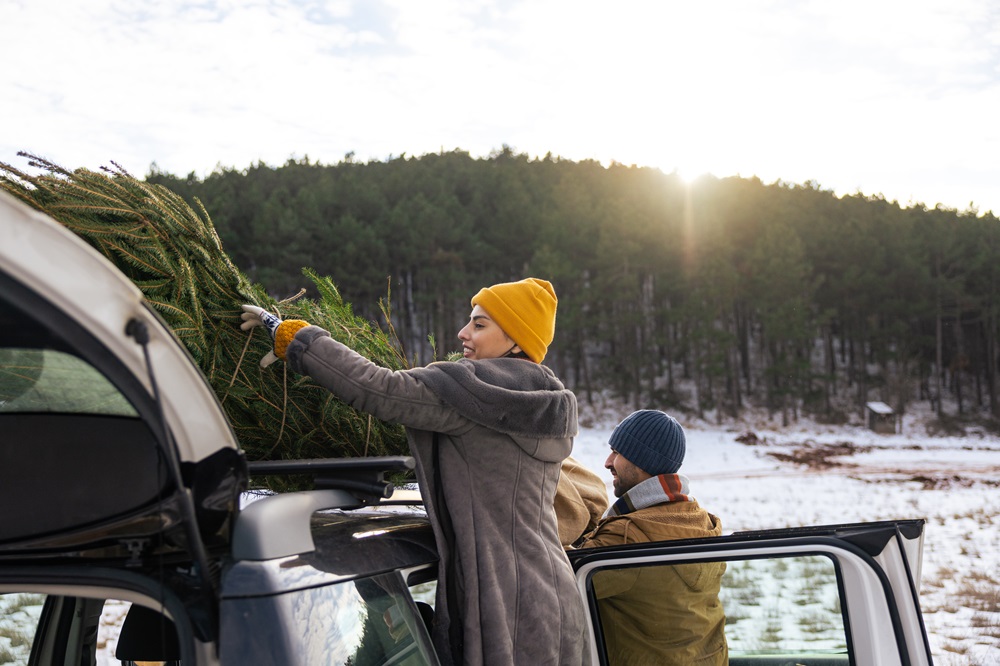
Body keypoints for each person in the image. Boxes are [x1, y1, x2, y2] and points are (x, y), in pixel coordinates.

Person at [241, 277, 590, 666]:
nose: (462, 333)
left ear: (516, 339)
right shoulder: (548, 401)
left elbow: (379, 390)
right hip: (555, 591)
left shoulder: (475, 392)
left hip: (502, 600)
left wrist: (297, 338)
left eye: (479, 324)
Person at [575, 409, 727, 666]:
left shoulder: (628, 537)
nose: (608, 462)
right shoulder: (701, 522)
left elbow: (554, 587)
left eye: (618, 452)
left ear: (642, 461)